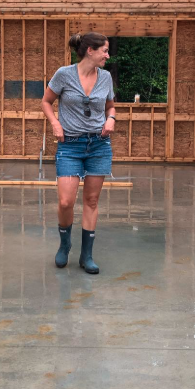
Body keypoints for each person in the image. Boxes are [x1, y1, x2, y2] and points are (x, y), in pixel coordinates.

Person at [41, 32, 116, 274]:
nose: (107, 55)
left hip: (98, 145)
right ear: (89, 51)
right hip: (70, 146)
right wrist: (55, 123)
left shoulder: (105, 77)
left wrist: (111, 118)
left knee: (91, 201)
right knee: (65, 201)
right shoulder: (64, 74)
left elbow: (110, 105)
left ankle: (87, 255)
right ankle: (65, 245)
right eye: (104, 50)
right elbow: (46, 101)